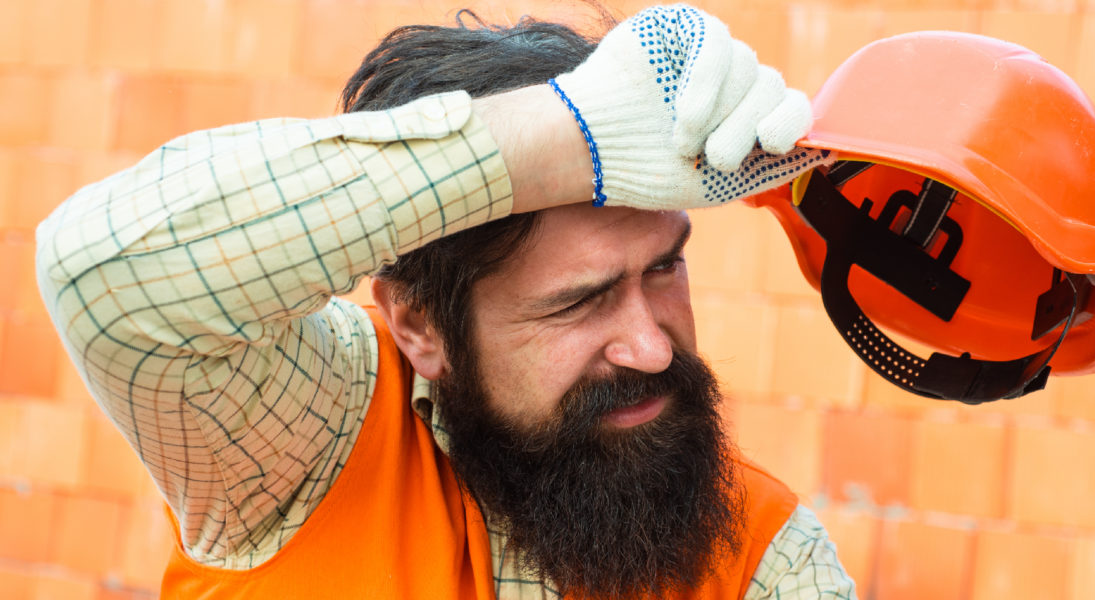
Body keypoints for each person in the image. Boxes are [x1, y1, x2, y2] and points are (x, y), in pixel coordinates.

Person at [36, 4, 855, 599]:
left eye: (665, 269)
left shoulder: (767, 559)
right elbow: (102, 273)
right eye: (579, 303)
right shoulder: (312, 438)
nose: (651, 347)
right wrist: (570, 135)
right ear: (419, 324)